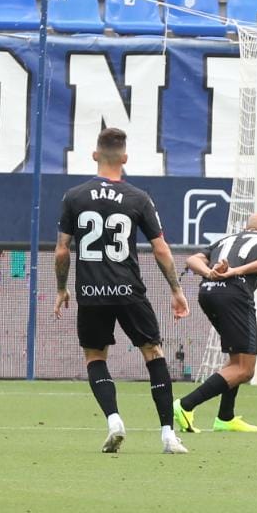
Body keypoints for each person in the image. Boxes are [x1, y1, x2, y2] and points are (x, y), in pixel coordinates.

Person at [54, 127, 191, 455]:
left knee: (95, 356)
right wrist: (176, 289)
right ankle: (168, 436)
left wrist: (61, 289)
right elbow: (161, 249)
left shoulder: (74, 197)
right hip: (129, 290)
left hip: (90, 292)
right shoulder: (138, 198)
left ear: (94, 155)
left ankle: (114, 420)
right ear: (125, 158)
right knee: (153, 353)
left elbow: (61, 250)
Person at [174, 211, 257, 433]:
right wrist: (237, 271)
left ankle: (225, 417)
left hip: (207, 293)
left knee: (236, 358)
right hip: (234, 294)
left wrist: (210, 274)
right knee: (245, 369)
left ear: (246, 229)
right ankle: (185, 405)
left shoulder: (226, 240)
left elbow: (192, 259)